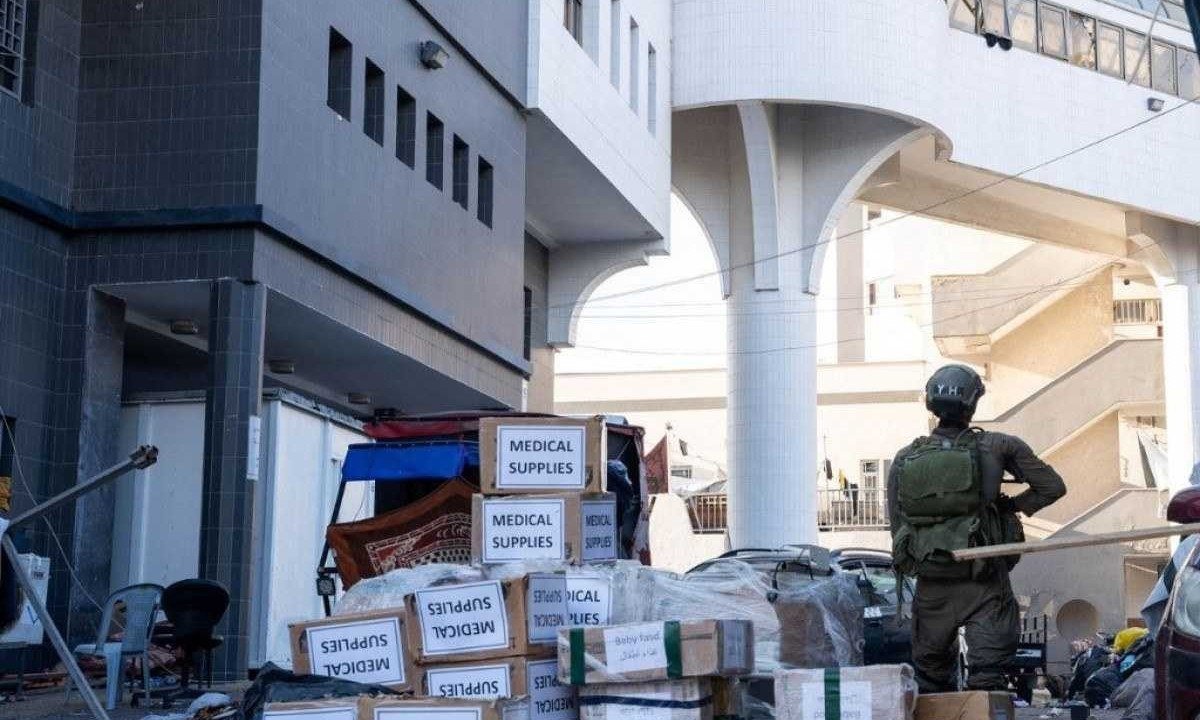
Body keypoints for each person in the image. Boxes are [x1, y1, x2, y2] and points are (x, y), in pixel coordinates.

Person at [887, 364, 1066, 693]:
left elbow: (898, 526)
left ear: (931, 403)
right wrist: (1010, 507)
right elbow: (1052, 487)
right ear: (973, 404)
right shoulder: (999, 446)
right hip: (984, 580)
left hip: (932, 582)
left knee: (931, 681)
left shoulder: (904, 458)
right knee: (987, 679)